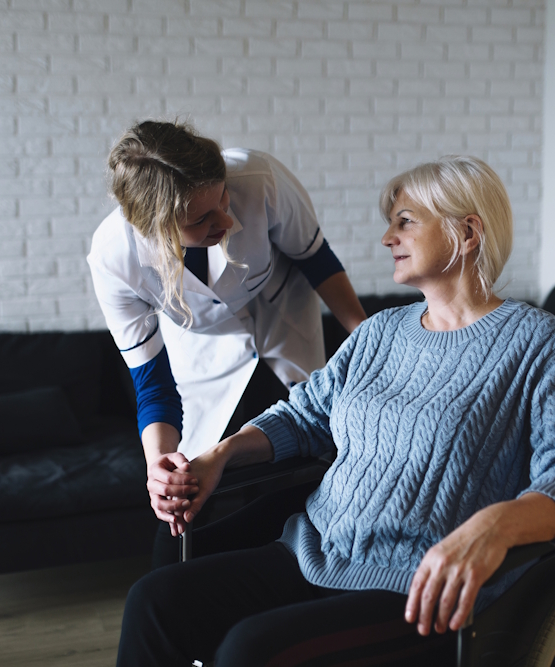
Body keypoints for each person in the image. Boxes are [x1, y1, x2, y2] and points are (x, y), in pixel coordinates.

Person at [116, 156, 555, 666]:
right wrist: (220, 455)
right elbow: (305, 416)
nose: (386, 238)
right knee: (155, 602)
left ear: (467, 233)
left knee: (249, 651)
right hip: (313, 550)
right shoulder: (380, 332)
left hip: (416, 587)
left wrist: (496, 525)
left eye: (405, 221)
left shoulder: (542, 342)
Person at [88, 120, 367, 565]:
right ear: (157, 230)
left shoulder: (259, 179)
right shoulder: (115, 260)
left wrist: (370, 342)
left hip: (284, 323)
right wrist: (157, 464)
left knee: (303, 466)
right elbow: (153, 384)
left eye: (223, 198)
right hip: (204, 355)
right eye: (202, 219)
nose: (228, 220)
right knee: (189, 496)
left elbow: (317, 260)